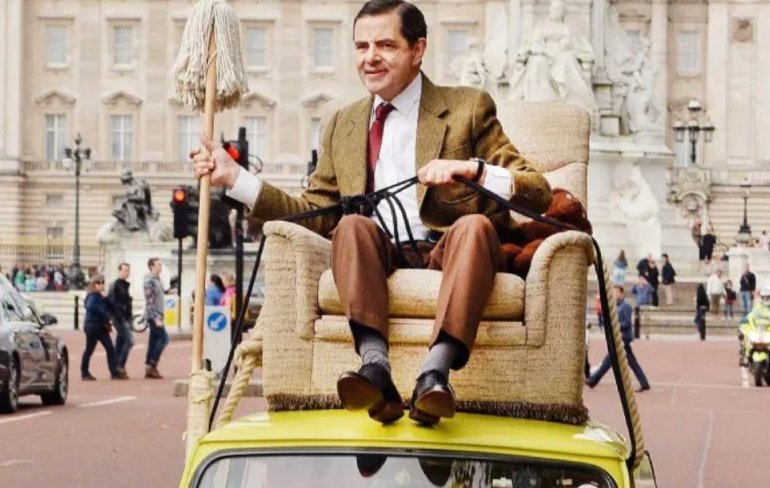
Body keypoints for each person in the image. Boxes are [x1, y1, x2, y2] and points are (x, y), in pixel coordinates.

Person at [191, 0, 552, 426]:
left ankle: (434, 373)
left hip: (452, 251)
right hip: (380, 254)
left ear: (418, 49)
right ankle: (375, 367)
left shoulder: (468, 108)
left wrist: (470, 169)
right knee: (350, 226)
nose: (370, 57)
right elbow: (316, 213)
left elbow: (537, 191)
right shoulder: (342, 124)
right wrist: (236, 179)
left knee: (474, 226)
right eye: (361, 46)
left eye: (385, 45)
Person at [585, 285, 650, 392]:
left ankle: (593, 380)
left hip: (623, 338)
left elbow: (627, 323)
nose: (615, 294)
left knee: (608, 360)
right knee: (630, 362)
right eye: (614, 292)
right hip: (618, 338)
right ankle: (644, 382)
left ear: (621, 293)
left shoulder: (625, 306)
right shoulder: (616, 306)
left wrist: (615, 325)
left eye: (617, 292)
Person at [80, 276, 121, 380]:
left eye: (103, 282)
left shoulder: (100, 297)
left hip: (100, 326)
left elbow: (111, 306)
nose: (102, 285)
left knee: (108, 348)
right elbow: (91, 306)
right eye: (99, 283)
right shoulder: (92, 296)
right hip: (93, 325)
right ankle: (85, 372)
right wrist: (105, 315)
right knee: (91, 349)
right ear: (94, 285)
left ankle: (114, 371)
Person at [107, 262, 133, 378]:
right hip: (119, 318)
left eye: (128, 270)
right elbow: (112, 302)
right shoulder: (115, 285)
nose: (127, 272)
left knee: (120, 342)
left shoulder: (125, 285)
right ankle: (120, 365)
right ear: (119, 271)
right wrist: (119, 314)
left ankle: (115, 367)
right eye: (124, 270)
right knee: (130, 341)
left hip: (125, 317)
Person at [144, 257, 168, 379]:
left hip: (158, 314)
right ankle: (153, 363)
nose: (160, 267)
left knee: (153, 340)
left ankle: (149, 365)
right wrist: (156, 317)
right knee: (164, 338)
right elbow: (150, 300)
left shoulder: (157, 280)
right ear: (152, 266)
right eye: (158, 264)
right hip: (154, 316)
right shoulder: (150, 281)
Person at [740, 286, 770, 367]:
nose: (766, 299)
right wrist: (745, 319)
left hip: (768, 329)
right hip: (759, 329)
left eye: (768, 297)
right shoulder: (758, 306)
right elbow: (751, 315)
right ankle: (746, 355)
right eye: (764, 297)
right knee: (746, 334)